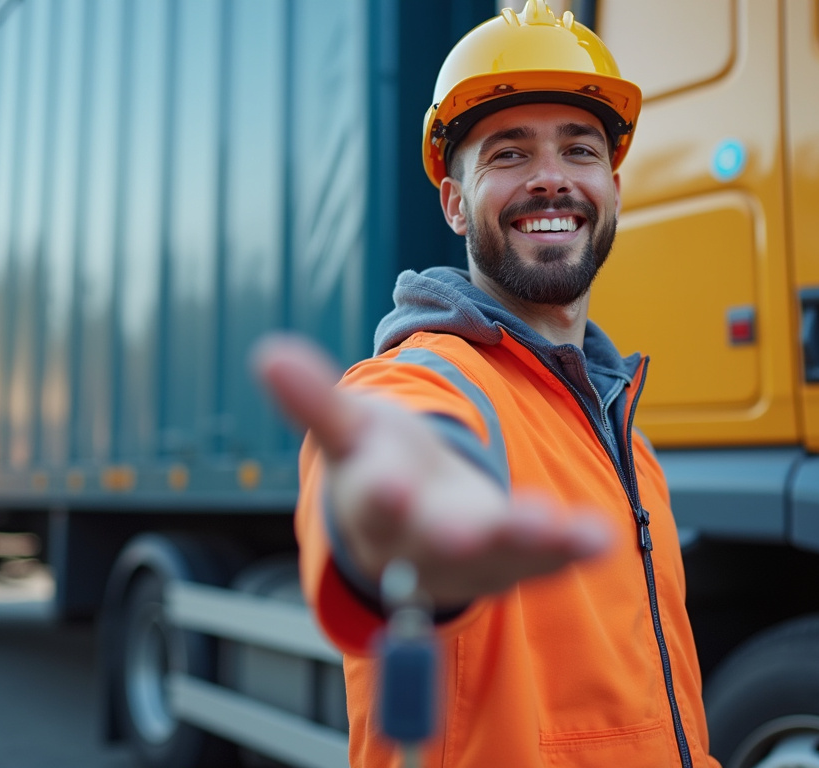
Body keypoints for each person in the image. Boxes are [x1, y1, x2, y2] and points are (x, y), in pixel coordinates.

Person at [256, 2, 720, 765]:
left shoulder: (628, 440)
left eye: (579, 150)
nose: (550, 179)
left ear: (613, 188)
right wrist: (395, 513)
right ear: (454, 203)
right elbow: (398, 442)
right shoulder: (432, 382)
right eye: (509, 154)